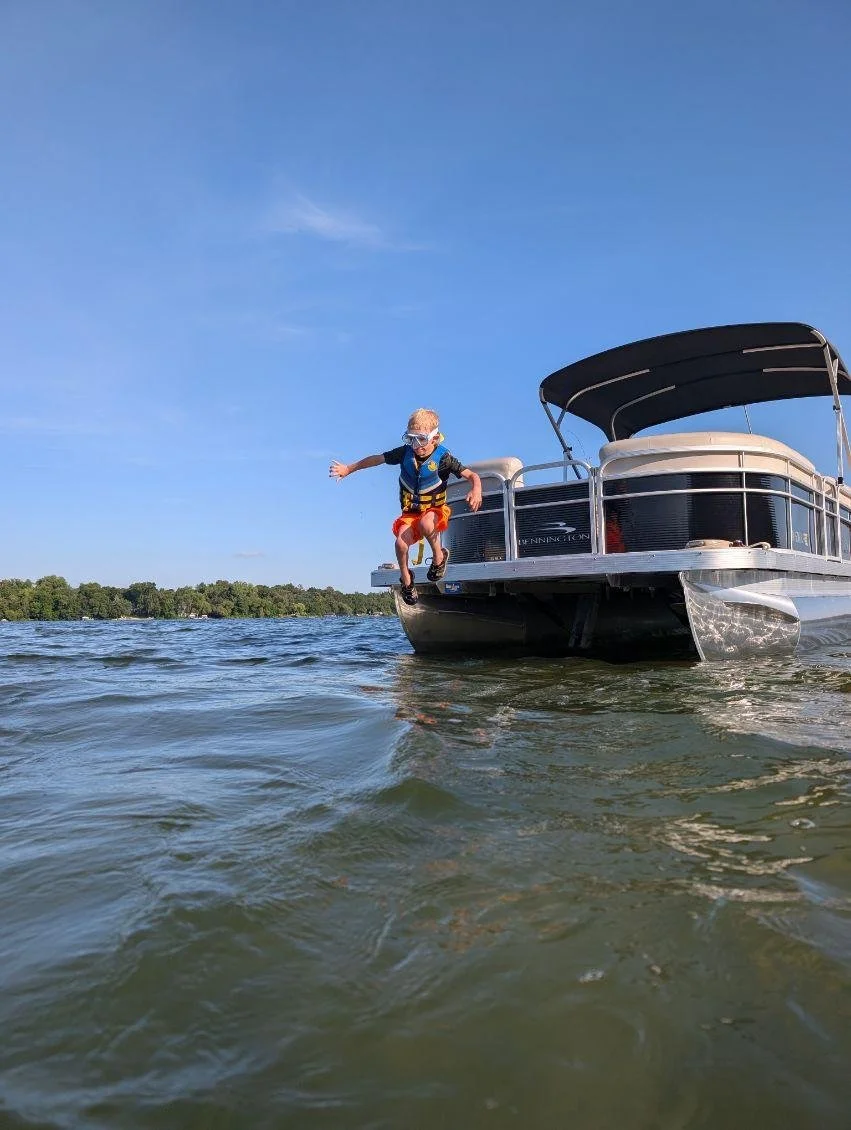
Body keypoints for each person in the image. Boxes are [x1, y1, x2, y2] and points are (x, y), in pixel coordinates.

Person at [329, 408, 482, 605]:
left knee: (427, 524)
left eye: (421, 439)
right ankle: (407, 581)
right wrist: (349, 468)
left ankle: (439, 557)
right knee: (400, 544)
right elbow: (376, 459)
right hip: (411, 513)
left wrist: (476, 489)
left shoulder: (444, 459)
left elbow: (472, 476)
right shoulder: (404, 454)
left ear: (434, 439)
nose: (416, 445)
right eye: (411, 439)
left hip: (434, 511)